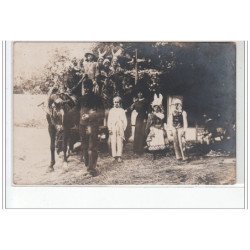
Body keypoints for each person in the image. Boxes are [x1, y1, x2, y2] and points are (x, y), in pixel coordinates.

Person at [78, 78, 105, 176]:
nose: (86, 89)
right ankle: (87, 167)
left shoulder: (97, 98)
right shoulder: (81, 99)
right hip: (82, 125)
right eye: (85, 87)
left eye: (88, 87)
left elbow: (102, 113)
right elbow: (75, 111)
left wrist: (90, 115)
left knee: (92, 147)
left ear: (92, 87)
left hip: (93, 125)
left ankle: (92, 170)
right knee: (84, 147)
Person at [107, 96, 127, 163]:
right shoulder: (111, 110)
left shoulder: (122, 111)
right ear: (113, 103)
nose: (116, 103)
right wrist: (109, 129)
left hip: (120, 127)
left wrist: (123, 128)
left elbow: (125, 121)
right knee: (113, 141)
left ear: (120, 103)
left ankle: (119, 156)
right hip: (113, 127)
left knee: (119, 141)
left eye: (118, 102)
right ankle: (114, 156)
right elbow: (109, 120)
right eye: (115, 102)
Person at [133, 91, 148, 155]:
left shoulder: (145, 101)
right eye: (138, 93)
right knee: (137, 132)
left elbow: (147, 110)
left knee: (142, 133)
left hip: (143, 118)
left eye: (141, 92)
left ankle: (140, 149)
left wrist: (145, 118)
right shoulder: (136, 101)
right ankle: (136, 149)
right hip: (138, 118)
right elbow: (132, 108)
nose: (140, 94)